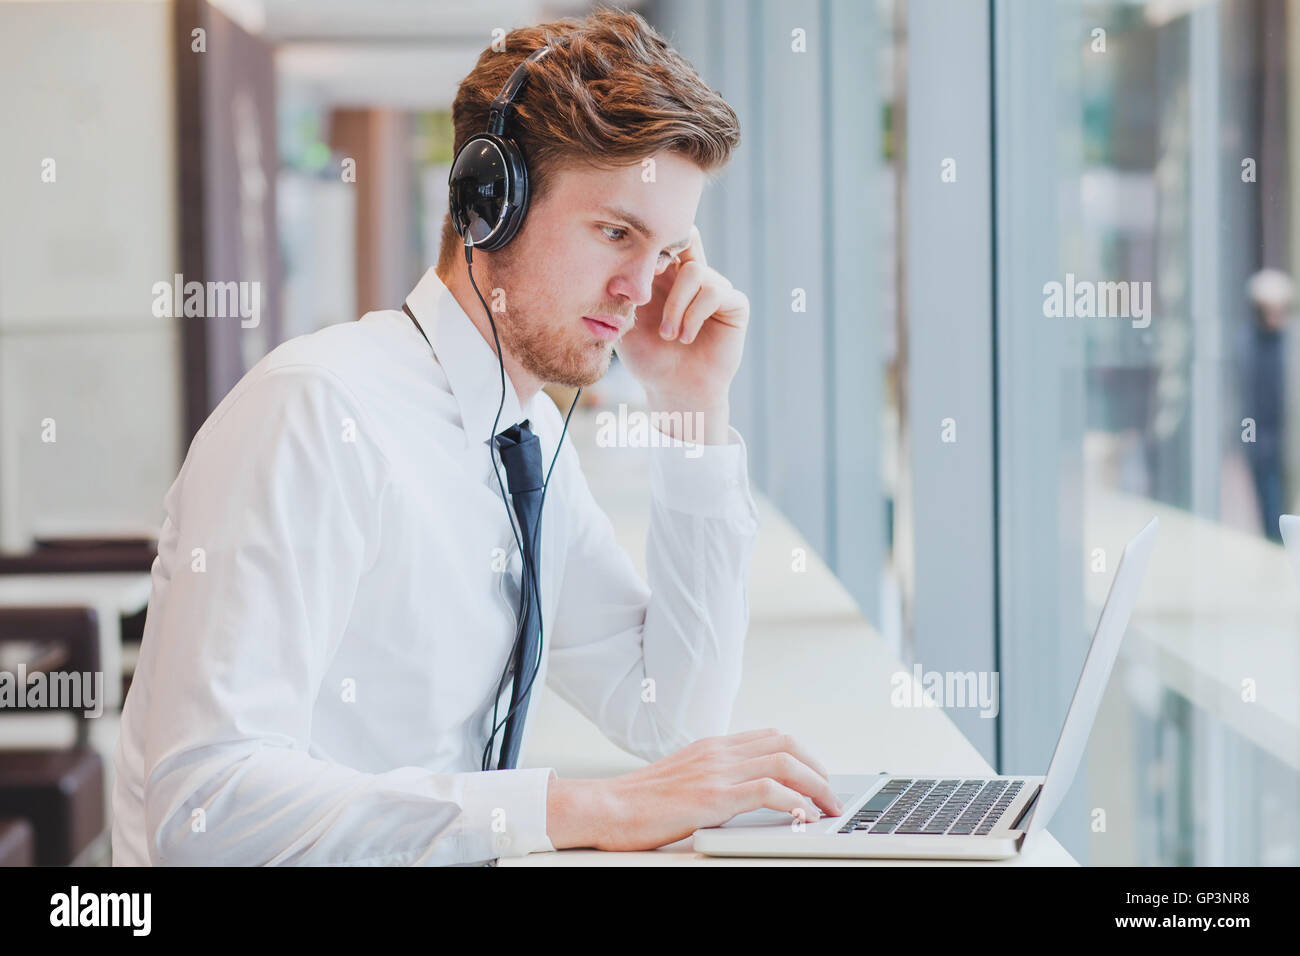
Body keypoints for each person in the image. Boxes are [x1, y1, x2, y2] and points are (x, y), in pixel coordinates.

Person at [112, 8, 841, 867]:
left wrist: (690, 405)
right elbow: (208, 810)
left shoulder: (519, 436)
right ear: (488, 203)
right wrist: (580, 807)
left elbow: (671, 716)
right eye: (616, 233)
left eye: (667, 252)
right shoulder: (314, 414)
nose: (640, 290)